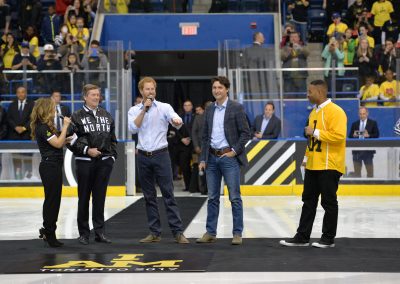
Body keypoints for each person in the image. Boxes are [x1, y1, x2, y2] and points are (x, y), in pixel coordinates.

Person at [280, 80, 347, 248]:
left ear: (319, 92)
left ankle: (328, 239)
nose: (307, 95)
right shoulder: (313, 113)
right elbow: (312, 141)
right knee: (308, 201)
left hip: (329, 165)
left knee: (329, 202)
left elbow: (339, 136)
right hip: (313, 164)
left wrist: (315, 132)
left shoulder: (337, 112)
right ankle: (302, 237)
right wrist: (305, 159)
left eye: (310, 91)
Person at [127, 76, 189, 244]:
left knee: (168, 194)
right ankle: (155, 232)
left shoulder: (164, 107)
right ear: (141, 91)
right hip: (143, 157)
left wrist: (176, 121)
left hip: (161, 155)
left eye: (152, 89)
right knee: (149, 196)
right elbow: (133, 127)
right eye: (147, 89)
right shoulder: (134, 110)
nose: (150, 92)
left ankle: (178, 232)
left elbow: (177, 121)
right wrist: (143, 110)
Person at [196, 76, 251, 246]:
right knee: (212, 197)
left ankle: (237, 233)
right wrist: (203, 158)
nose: (216, 90)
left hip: (229, 158)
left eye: (220, 87)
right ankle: (211, 232)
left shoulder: (236, 108)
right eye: (214, 88)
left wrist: (234, 151)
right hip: (211, 158)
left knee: (234, 197)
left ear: (227, 89)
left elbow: (245, 133)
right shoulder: (210, 109)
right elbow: (205, 136)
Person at [68, 84, 117, 245]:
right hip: (84, 162)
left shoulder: (107, 115)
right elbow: (69, 140)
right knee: (83, 199)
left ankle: (99, 232)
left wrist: (112, 158)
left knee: (99, 199)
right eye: (93, 95)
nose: (96, 97)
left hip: (103, 163)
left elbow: (113, 139)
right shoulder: (76, 116)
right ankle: (83, 234)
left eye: (98, 94)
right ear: (85, 97)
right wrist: (87, 150)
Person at [30, 97, 71, 247]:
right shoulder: (43, 128)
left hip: (52, 166)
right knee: (52, 201)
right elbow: (58, 144)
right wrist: (65, 127)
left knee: (53, 200)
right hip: (50, 166)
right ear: (46, 110)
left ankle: (49, 230)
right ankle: (49, 231)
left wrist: (66, 138)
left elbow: (58, 142)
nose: (55, 111)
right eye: (53, 108)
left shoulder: (46, 127)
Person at [349, 107, 379, 177]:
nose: (362, 115)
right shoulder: (354, 124)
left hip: (368, 152)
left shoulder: (373, 123)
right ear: (358, 114)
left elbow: (376, 135)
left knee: (370, 173)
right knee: (357, 174)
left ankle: (370, 186)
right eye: (360, 114)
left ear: (367, 114)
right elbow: (350, 136)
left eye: (364, 114)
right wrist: (354, 135)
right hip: (356, 152)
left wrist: (368, 135)